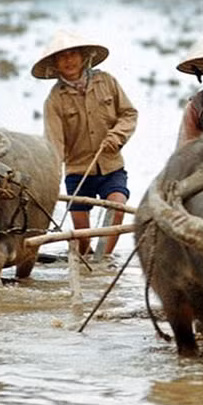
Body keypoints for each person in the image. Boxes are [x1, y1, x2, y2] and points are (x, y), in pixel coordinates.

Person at [34, 30, 138, 256]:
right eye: (62, 57)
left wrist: (117, 136)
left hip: (111, 165)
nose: (69, 60)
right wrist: (50, 179)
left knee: (117, 207)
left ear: (83, 57)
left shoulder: (107, 82)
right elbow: (54, 144)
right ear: (55, 65)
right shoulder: (54, 100)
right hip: (78, 171)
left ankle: (105, 259)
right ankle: (86, 255)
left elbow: (129, 114)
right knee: (82, 235)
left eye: (73, 54)